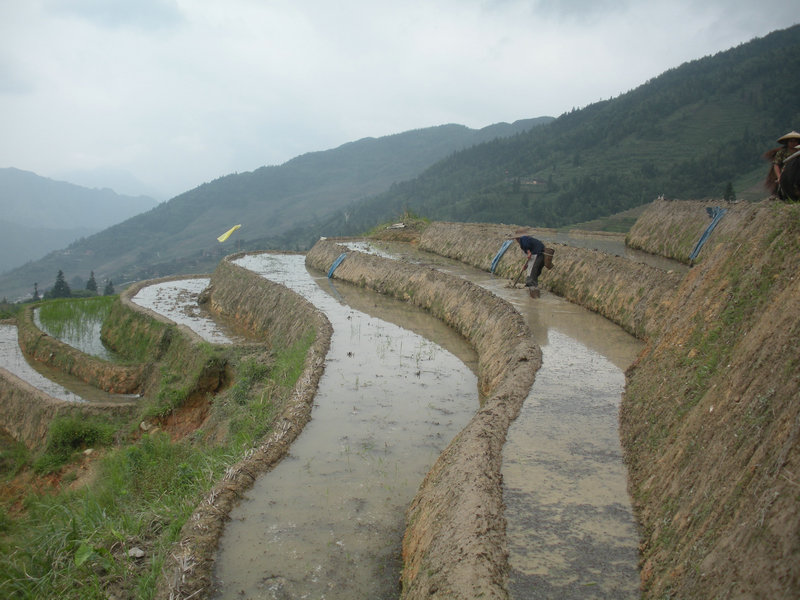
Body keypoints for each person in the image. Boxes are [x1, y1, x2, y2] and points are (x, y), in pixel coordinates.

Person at [765, 131, 800, 198]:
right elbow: (776, 164)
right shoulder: (782, 152)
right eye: (791, 141)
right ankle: (780, 194)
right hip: (787, 170)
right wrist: (779, 177)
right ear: (787, 142)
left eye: (795, 141)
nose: (793, 143)